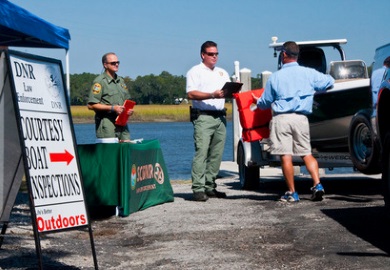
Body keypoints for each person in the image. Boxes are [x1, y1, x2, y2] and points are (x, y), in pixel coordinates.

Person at [253, 41, 334, 202]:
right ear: (298, 55)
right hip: (301, 118)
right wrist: (315, 90)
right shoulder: (308, 73)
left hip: (281, 119)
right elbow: (330, 82)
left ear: (283, 54)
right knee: (306, 154)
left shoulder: (275, 77)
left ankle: (292, 192)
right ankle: (317, 184)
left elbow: (265, 102)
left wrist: (257, 101)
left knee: (286, 156)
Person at [186, 41, 231, 202]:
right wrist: (212, 95)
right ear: (203, 55)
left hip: (220, 116)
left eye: (216, 54)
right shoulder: (195, 71)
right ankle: (198, 188)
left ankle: (209, 185)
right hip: (203, 116)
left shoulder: (222, 72)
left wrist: (231, 92)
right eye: (211, 54)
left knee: (216, 154)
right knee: (202, 152)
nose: (214, 57)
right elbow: (190, 94)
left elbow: (225, 92)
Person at [87, 52, 134, 143]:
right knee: (110, 152)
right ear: (105, 65)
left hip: (122, 124)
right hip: (107, 124)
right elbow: (91, 105)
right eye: (113, 63)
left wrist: (129, 111)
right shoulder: (100, 81)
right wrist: (112, 108)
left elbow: (127, 101)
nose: (116, 64)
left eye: (117, 62)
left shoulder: (121, 81)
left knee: (125, 151)